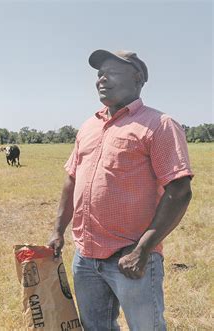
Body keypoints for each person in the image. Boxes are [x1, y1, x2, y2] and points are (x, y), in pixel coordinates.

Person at [48, 49, 193, 330]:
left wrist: (142, 250)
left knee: (146, 327)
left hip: (131, 257)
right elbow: (72, 180)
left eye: (111, 72)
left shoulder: (159, 125)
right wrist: (57, 230)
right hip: (86, 257)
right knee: (95, 327)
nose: (102, 79)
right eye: (99, 73)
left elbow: (179, 191)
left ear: (137, 78)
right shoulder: (88, 126)